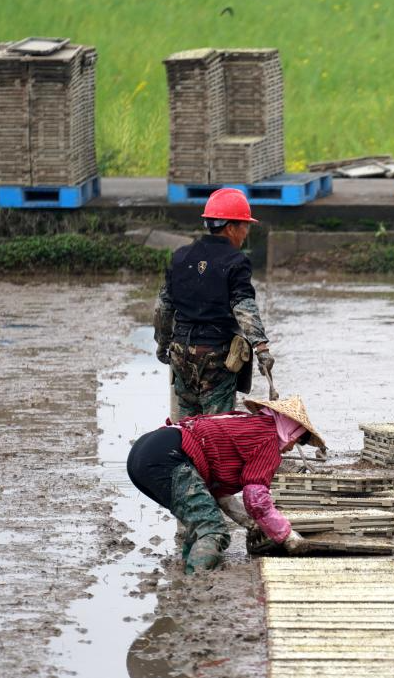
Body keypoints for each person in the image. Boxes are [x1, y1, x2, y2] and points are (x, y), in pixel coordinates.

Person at [126, 395, 325, 573]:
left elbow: (218, 493)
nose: (292, 447)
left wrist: (249, 523)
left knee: (199, 520)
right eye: (298, 440)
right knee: (212, 530)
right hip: (168, 458)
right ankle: (196, 583)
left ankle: (187, 573)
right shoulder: (268, 441)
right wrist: (287, 536)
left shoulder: (246, 423)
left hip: (144, 453)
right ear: (289, 430)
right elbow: (256, 499)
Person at [154, 187, 274, 417]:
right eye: (245, 226)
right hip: (215, 358)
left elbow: (163, 307)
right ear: (230, 227)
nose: (246, 233)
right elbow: (243, 306)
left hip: (180, 354)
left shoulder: (180, 257)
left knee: (187, 425)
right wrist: (261, 348)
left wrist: (162, 343)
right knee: (217, 426)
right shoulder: (236, 261)